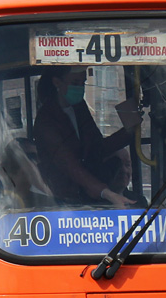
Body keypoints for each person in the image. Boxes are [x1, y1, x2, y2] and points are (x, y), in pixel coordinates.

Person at [32, 65, 141, 206]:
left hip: (88, 195)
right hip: (63, 202)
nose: (80, 89)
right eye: (75, 83)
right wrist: (105, 192)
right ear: (57, 82)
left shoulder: (79, 107)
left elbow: (97, 148)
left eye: (82, 83)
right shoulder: (46, 120)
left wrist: (131, 129)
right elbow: (69, 164)